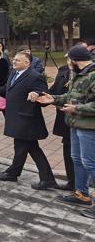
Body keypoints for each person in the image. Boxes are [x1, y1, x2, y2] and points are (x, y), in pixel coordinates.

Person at [36, 45, 95, 217]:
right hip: (75, 124)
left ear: (75, 60)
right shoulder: (78, 74)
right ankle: (81, 193)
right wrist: (52, 99)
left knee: (90, 162)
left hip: (89, 127)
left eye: (69, 59)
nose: (67, 62)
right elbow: (70, 97)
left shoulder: (92, 76)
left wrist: (77, 108)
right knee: (77, 159)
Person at [0, 52, 57, 189]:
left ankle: (16, 173)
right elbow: (6, 90)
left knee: (25, 148)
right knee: (28, 148)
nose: (14, 62)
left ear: (27, 63)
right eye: (14, 59)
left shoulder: (35, 77)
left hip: (27, 120)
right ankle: (41, 178)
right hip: (17, 118)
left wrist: (36, 94)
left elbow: (43, 94)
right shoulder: (13, 73)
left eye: (18, 60)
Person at [46, 57, 75, 191]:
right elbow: (55, 89)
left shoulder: (87, 75)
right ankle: (72, 182)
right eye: (69, 57)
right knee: (68, 149)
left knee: (81, 156)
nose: (70, 61)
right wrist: (46, 97)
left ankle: (81, 186)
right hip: (64, 117)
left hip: (79, 119)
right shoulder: (63, 70)